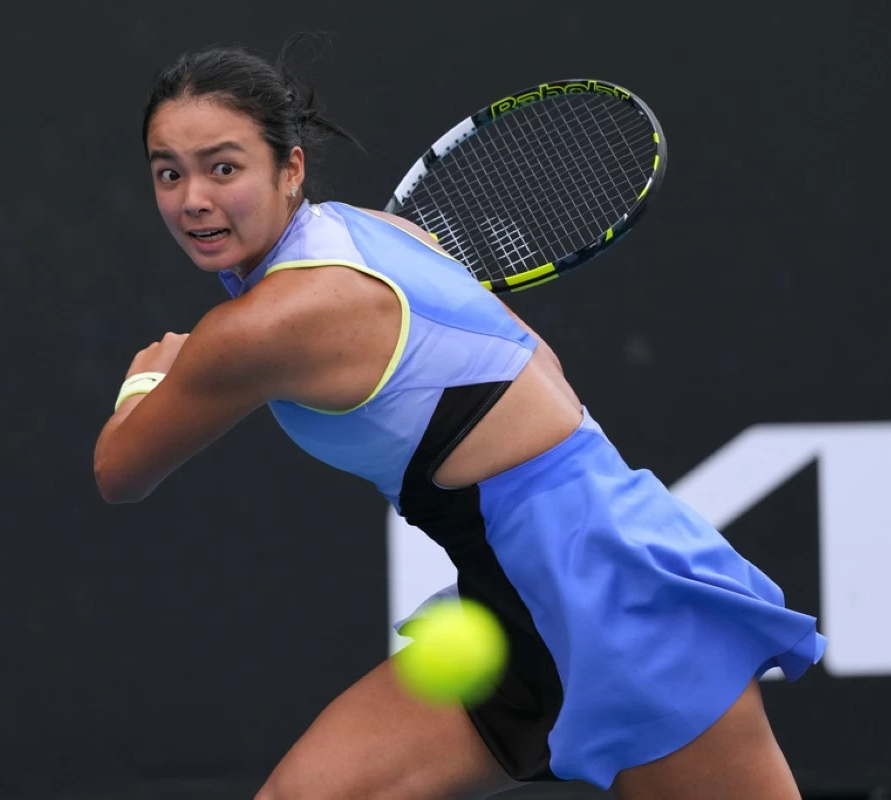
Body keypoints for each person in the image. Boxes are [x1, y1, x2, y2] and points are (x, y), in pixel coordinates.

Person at [94, 39, 826, 800]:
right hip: (511, 600)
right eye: (168, 173)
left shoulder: (266, 323)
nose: (193, 200)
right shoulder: (380, 232)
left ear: (291, 169)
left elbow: (120, 472)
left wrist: (148, 379)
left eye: (224, 167)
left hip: (617, 597)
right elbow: (539, 365)